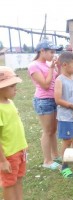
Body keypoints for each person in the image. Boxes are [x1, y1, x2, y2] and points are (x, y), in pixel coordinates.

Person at [28, 40, 62, 170]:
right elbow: (46, 84)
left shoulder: (48, 65)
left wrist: (56, 67)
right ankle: (47, 161)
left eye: (54, 52)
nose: (53, 55)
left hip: (53, 99)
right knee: (47, 131)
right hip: (43, 101)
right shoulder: (34, 65)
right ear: (42, 51)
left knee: (53, 130)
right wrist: (52, 68)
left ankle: (55, 155)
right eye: (51, 52)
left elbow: (56, 79)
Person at [54, 52, 73, 178]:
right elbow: (58, 100)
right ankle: (64, 165)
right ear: (64, 65)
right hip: (65, 117)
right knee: (67, 140)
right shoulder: (59, 80)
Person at [0, 67, 28, 200]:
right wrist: (3, 161)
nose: (15, 89)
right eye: (11, 86)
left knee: (19, 179)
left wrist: (23, 145)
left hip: (19, 150)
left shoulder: (10, 102)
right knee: (9, 183)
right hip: (8, 154)